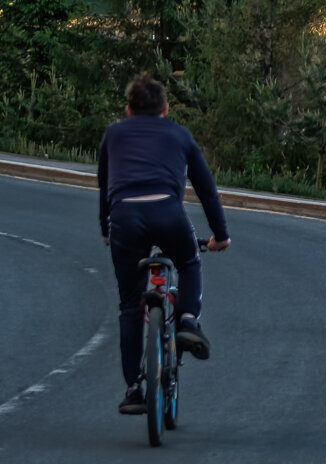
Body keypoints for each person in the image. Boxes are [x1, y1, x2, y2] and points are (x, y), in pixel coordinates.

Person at [98, 74, 231, 416]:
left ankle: (133, 389)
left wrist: (106, 230)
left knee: (130, 304)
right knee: (188, 263)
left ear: (128, 110)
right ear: (166, 109)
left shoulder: (113, 134)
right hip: (168, 213)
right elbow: (206, 189)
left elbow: (104, 187)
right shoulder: (179, 134)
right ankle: (187, 320)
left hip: (125, 218)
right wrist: (220, 234)